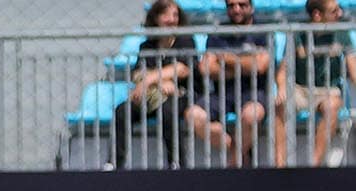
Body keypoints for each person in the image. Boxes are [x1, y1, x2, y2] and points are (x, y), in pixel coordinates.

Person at [185, 0, 272, 168]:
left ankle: (233, 163)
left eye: (242, 4)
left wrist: (226, 58)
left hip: (253, 92)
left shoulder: (262, 31)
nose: (236, 9)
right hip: (223, 94)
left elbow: (260, 66)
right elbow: (206, 68)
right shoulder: (218, 32)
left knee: (252, 114)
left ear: (251, 7)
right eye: (231, 5)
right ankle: (239, 154)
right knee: (192, 115)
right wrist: (246, 64)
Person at [112, 0, 193, 169]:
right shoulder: (146, 46)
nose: (172, 20)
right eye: (166, 15)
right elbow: (137, 74)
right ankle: (114, 164)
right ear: (155, 18)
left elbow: (183, 68)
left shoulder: (185, 41)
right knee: (122, 110)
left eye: (175, 15)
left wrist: (150, 79)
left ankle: (176, 163)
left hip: (181, 95)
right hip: (152, 96)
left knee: (168, 111)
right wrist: (162, 81)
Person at [275, 0, 354, 168]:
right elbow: (282, 71)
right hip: (300, 88)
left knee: (333, 106)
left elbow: (354, 69)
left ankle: (314, 166)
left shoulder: (342, 32)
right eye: (334, 11)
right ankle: (279, 166)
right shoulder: (297, 34)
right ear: (317, 15)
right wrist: (281, 88)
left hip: (328, 89)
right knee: (280, 105)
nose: (340, 13)